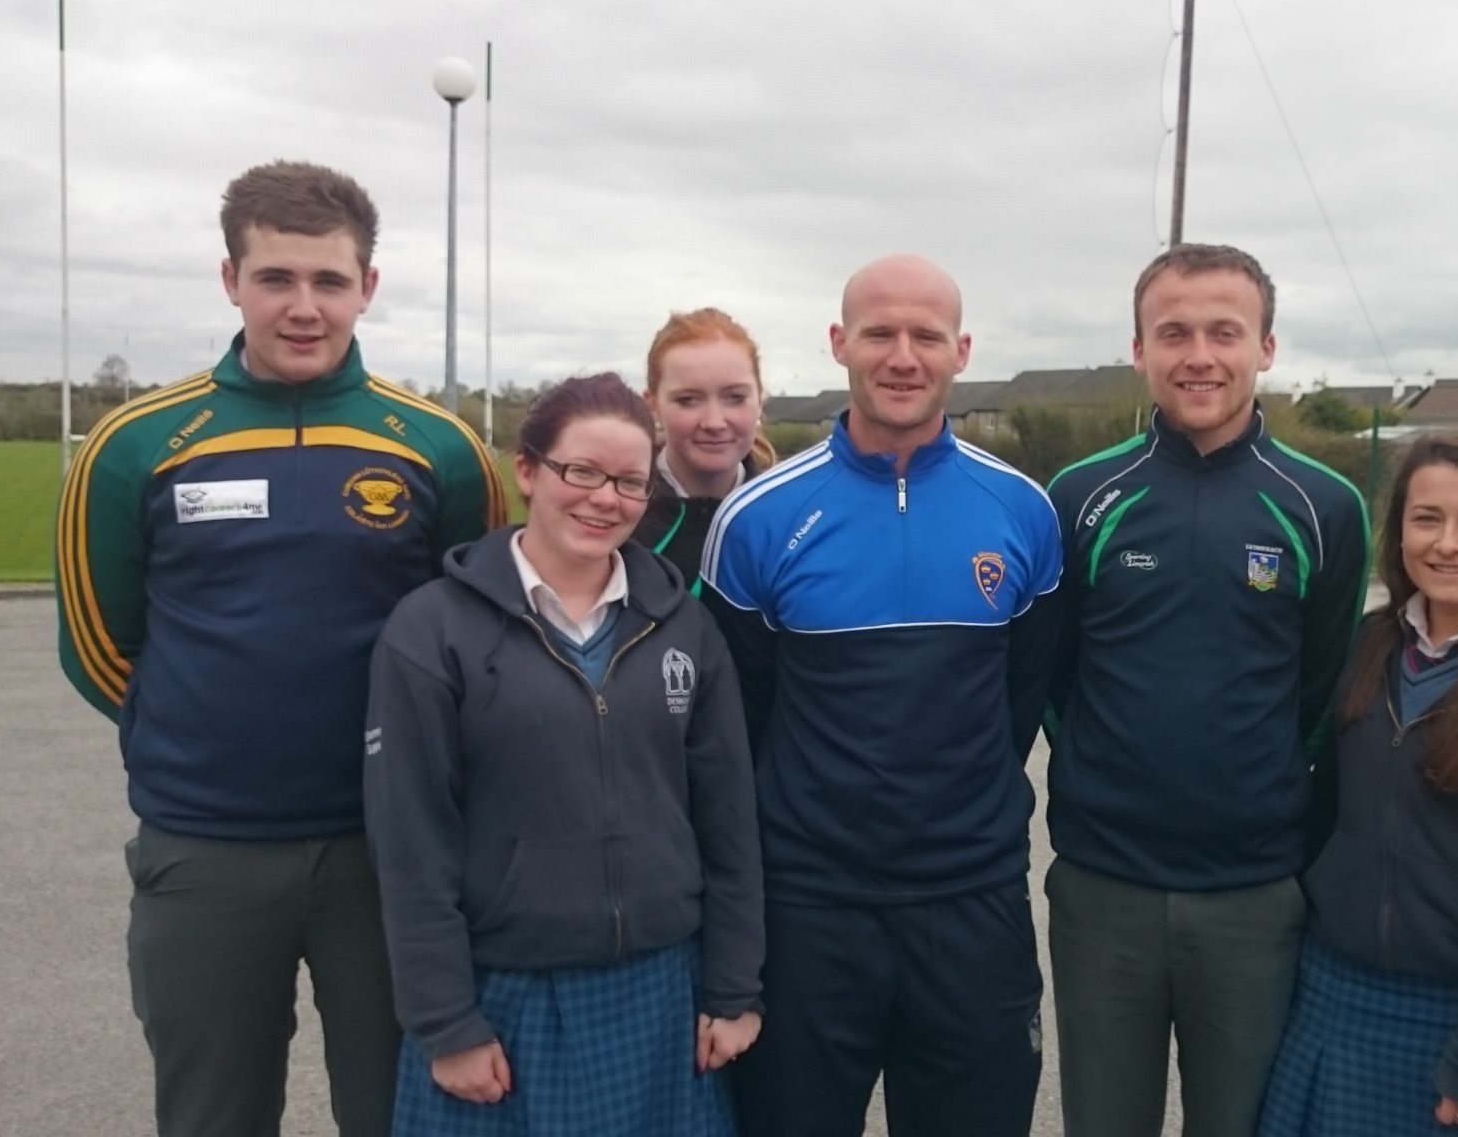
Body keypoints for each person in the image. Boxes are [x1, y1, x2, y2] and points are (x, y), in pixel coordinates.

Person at [54, 159, 505, 1137]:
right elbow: (97, 643)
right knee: (212, 1116)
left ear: (367, 287)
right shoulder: (134, 444)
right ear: (232, 280)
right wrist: (202, 737)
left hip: (390, 851)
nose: (304, 307)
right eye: (276, 279)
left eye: (329, 281)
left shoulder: (440, 448)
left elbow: (475, 640)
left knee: (405, 1116)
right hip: (205, 851)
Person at [701, 254, 1063, 1137]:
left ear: (960, 351)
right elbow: (738, 725)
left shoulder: (1022, 510)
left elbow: (1020, 701)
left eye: (926, 336)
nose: (903, 356)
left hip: (973, 901)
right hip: (808, 910)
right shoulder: (755, 519)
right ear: (839, 343)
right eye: (880, 334)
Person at [365, 373, 761, 1135]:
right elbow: (411, 843)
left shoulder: (684, 627)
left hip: (662, 989)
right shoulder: (431, 631)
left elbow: (729, 822)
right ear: (527, 470)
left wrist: (734, 989)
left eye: (629, 482)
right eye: (581, 471)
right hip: (504, 995)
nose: (604, 499)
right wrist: (444, 1021)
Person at [1043, 243, 1370, 1137]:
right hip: (1103, 885)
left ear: (1265, 347)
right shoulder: (1080, 495)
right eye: (1173, 333)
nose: (1199, 356)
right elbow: (1053, 680)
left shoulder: (1324, 506)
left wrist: (1259, 794)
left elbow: (1322, 689)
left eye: (1225, 332)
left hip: (1253, 891)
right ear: (1138, 349)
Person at [1255, 430, 1458, 1137]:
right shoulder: (1368, 644)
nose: (1449, 543)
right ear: (1400, 531)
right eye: (1427, 518)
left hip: (1452, 1016)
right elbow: (1321, 812)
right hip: (1331, 993)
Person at [635, 307, 778, 592]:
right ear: (652, 405)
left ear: (759, 400)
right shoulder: (617, 514)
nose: (714, 422)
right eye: (688, 400)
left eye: (735, 398)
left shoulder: (793, 514)